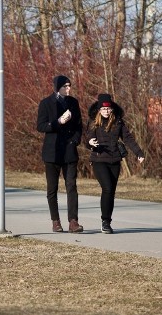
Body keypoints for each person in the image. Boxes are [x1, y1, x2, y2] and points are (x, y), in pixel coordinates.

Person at [86, 94, 146, 234]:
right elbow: (88, 137)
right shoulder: (93, 121)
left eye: (108, 108)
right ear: (99, 109)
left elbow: (128, 138)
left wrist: (139, 152)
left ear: (111, 109)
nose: (106, 111)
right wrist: (90, 143)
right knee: (107, 188)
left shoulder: (118, 122)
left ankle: (107, 221)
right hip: (99, 160)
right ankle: (105, 221)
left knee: (111, 192)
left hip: (114, 160)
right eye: (103, 109)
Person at [36, 75, 84, 233]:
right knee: (52, 188)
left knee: (71, 186)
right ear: (57, 87)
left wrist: (75, 140)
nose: (68, 89)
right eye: (65, 86)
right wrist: (58, 122)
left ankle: (73, 221)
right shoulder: (45, 103)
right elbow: (41, 126)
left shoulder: (73, 102)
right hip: (52, 152)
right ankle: (55, 221)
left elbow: (79, 125)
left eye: (69, 86)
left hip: (69, 151)